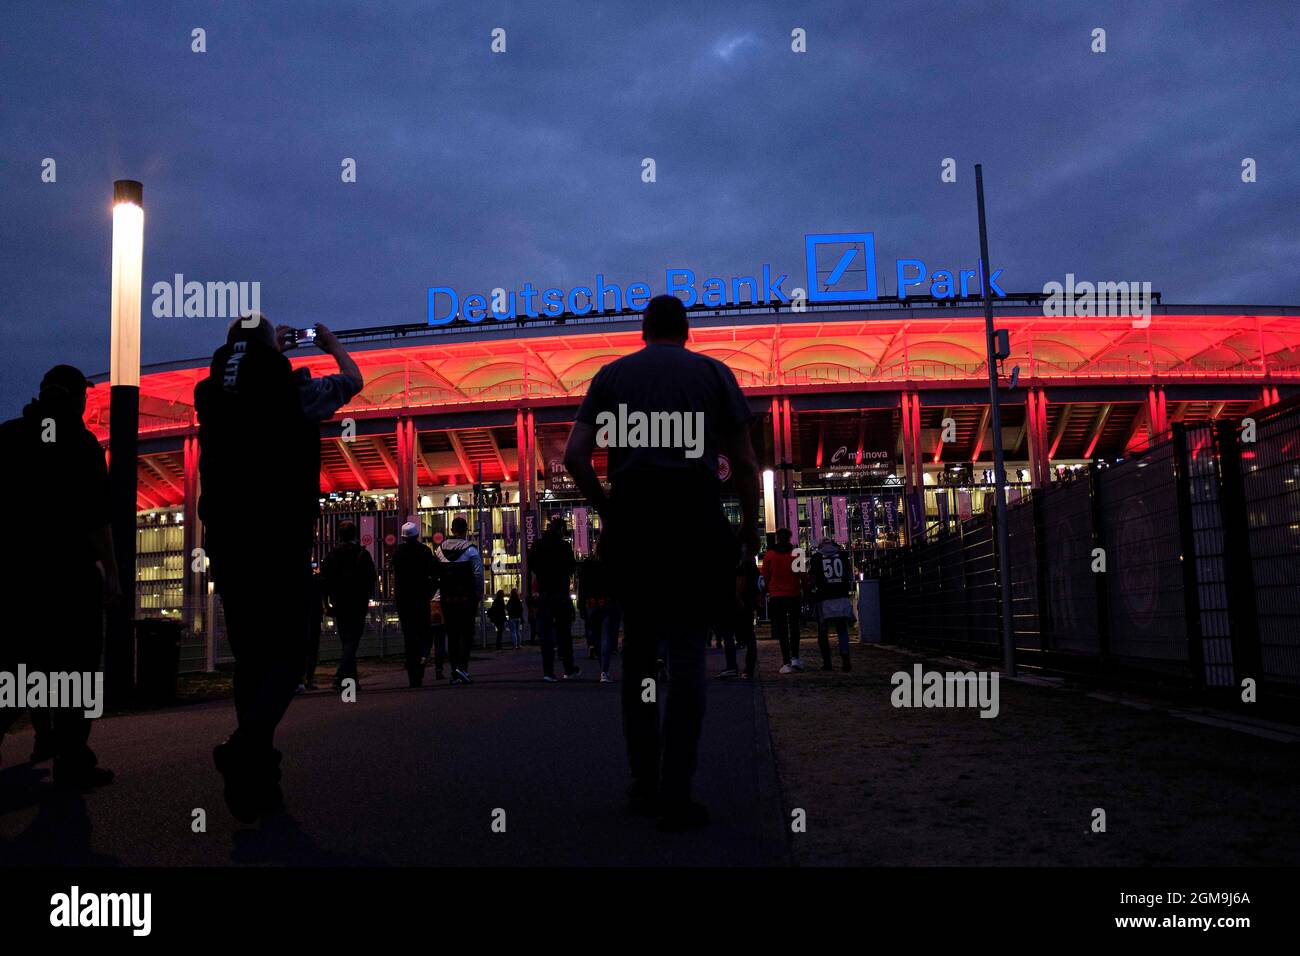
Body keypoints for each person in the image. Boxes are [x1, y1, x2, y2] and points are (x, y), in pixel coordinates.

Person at [565, 294, 760, 830]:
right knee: (689, 656)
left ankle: (643, 782)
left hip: (636, 526)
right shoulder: (713, 375)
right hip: (695, 523)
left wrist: (609, 509)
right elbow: (743, 462)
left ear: (643, 331)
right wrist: (750, 526)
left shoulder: (610, 377)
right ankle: (678, 788)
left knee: (639, 654)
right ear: (688, 330)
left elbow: (574, 457)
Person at [196, 314, 362, 823]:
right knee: (290, 653)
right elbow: (353, 381)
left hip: (227, 540)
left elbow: (242, 370)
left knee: (251, 659)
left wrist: (267, 347)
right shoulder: (295, 392)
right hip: (279, 538)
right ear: (274, 349)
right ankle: (246, 746)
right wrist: (330, 344)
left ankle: (258, 782)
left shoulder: (211, 394)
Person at [0, 365, 120, 788]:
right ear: (76, 398)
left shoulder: (8, 435)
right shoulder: (80, 443)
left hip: (14, 578)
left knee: (16, 664)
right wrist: (111, 575)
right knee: (76, 668)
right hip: (68, 577)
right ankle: (72, 761)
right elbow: (96, 520)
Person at [322, 520, 377, 689]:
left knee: (346, 638)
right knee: (353, 639)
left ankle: (350, 681)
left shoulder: (331, 555)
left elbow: (325, 581)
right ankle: (342, 675)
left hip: (339, 601)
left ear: (339, 535)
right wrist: (367, 596)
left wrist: (326, 603)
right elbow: (371, 578)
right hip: (358, 601)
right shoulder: (362, 554)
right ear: (355, 534)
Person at [528, 516, 579, 682]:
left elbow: (532, 567)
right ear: (562, 530)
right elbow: (571, 568)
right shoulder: (564, 546)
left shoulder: (537, 545)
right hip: (561, 592)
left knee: (546, 634)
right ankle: (568, 668)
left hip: (544, 593)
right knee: (564, 633)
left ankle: (548, 671)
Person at [435, 517, 482, 685]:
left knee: (452, 634)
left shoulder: (439, 550)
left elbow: (436, 574)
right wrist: (478, 593)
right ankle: (463, 668)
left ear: (451, 530)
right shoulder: (471, 550)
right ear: (466, 530)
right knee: (466, 634)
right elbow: (478, 574)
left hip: (447, 598)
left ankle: (454, 670)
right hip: (466, 598)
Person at [393, 521, 436, 687]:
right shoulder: (425, 551)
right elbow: (432, 574)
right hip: (421, 598)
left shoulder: (398, 553)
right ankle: (421, 661)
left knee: (409, 636)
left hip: (404, 600)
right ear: (417, 535)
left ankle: (412, 670)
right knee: (424, 633)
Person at [762, 528, 805, 674]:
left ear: (777, 538)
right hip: (793, 595)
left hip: (777, 596)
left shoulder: (770, 555)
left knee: (782, 630)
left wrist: (769, 589)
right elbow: (803, 576)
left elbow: (765, 577)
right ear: (790, 538)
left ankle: (786, 662)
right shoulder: (797, 554)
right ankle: (795, 658)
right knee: (794, 628)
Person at [579, 540, 621, 683]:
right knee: (606, 638)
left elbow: (582, 587)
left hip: (591, 604)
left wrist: (581, 605)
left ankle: (602, 667)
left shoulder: (587, 565)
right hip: (608, 603)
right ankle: (604, 671)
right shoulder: (611, 565)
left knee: (596, 638)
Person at [811, 537, 855, 671]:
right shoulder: (842, 555)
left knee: (822, 631)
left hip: (824, 598)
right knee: (842, 629)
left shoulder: (817, 558)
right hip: (841, 595)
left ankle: (827, 662)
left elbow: (813, 578)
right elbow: (849, 574)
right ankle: (845, 658)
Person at [717, 553, 760, 680]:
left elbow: (739, 581)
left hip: (735, 603)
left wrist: (738, 597)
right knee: (749, 636)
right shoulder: (751, 564)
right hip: (747, 603)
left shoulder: (738, 563)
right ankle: (748, 669)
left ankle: (732, 667)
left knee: (728, 634)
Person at [298, 562, 325, 692]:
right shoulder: (316, 582)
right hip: (314, 618)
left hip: (301, 619)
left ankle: (299, 680)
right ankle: (309, 679)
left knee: (300, 650)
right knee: (312, 650)